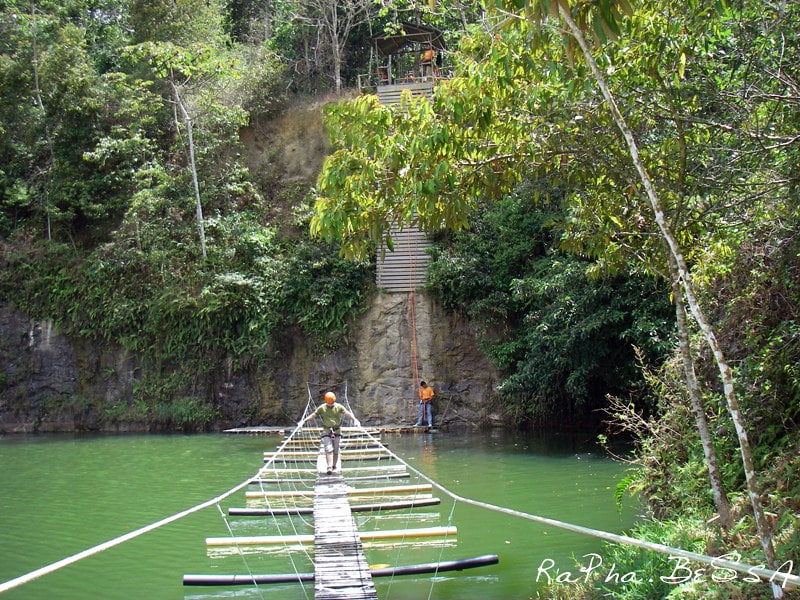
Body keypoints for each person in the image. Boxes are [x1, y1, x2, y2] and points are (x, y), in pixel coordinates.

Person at [298, 391, 360, 475]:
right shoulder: (322, 408)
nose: (330, 404)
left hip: (336, 430)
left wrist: (355, 419)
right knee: (328, 449)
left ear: (334, 400)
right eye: (329, 403)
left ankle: (334, 466)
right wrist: (304, 421)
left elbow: (347, 413)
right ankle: (329, 467)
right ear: (326, 401)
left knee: (336, 450)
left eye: (332, 402)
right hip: (326, 431)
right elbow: (313, 415)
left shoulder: (339, 407)